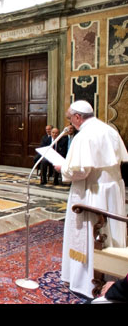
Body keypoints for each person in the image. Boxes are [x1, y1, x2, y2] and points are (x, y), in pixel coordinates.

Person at [53, 100, 128, 299]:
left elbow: (80, 171)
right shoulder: (109, 130)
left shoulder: (84, 136)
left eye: (70, 118)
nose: (70, 122)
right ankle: (113, 273)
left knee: (88, 234)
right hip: (112, 190)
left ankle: (86, 281)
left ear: (78, 117)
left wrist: (62, 168)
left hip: (92, 193)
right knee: (111, 232)